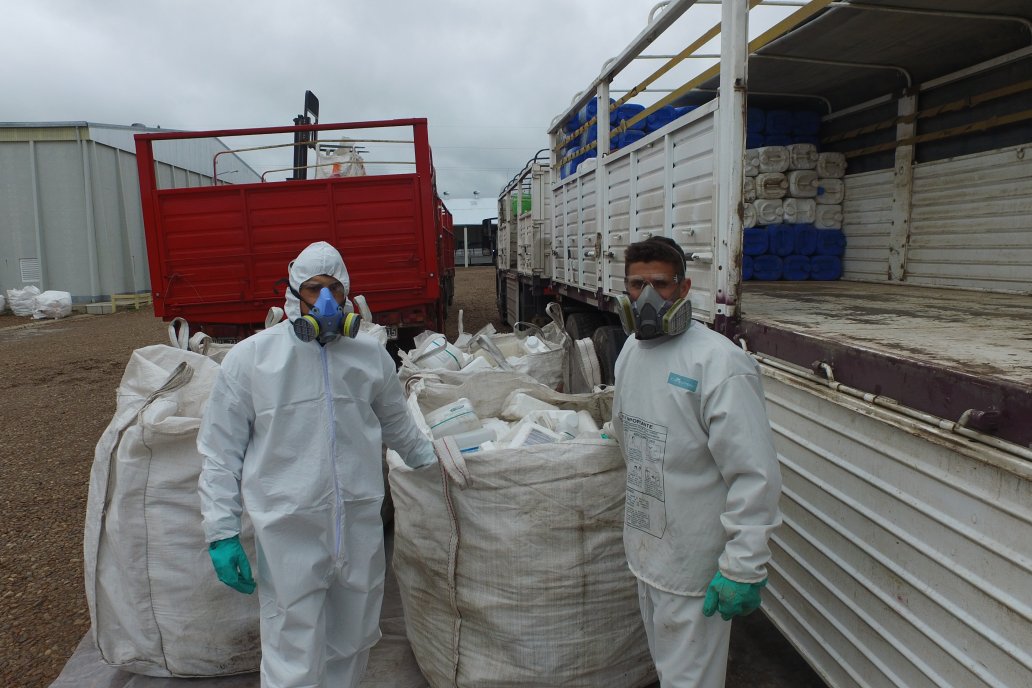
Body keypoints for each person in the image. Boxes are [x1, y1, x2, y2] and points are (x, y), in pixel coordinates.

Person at [197, 241, 437, 688]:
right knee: (293, 652)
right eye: (313, 289)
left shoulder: (369, 357)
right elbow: (219, 452)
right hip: (288, 530)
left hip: (359, 525)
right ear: (292, 294)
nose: (325, 301)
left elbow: (400, 429)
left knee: (354, 642)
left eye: (334, 289)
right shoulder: (251, 360)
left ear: (348, 296)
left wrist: (442, 466)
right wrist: (221, 532)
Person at [611, 236, 783, 688]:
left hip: (695, 566)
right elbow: (625, 434)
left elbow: (754, 474)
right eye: (636, 284)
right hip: (649, 552)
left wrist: (743, 566)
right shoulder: (631, 351)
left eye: (661, 285)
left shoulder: (720, 364)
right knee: (668, 671)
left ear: (684, 288)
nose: (647, 297)